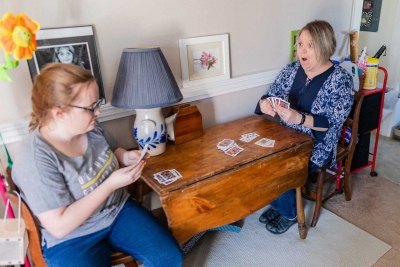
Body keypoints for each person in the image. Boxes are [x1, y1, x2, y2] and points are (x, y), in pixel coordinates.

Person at [12, 63, 183, 267]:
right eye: (90, 107)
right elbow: (59, 226)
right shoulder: (35, 159)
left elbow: (113, 150)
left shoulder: (90, 127)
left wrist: (125, 157)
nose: (98, 112)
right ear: (59, 113)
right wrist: (110, 184)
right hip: (73, 237)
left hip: (116, 210)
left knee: (170, 258)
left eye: (97, 103)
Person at [254, 20, 354, 235]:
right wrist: (264, 104)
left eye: (310, 45)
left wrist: (298, 118)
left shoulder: (341, 80)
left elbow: (331, 124)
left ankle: (289, 213)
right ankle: (279, 205)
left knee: (281, 166)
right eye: (300, 44)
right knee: (258, 157)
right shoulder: (291, 69)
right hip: (285, 137)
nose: (302, 50)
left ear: (325, 46)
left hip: (318, 144)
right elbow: (270, 94)